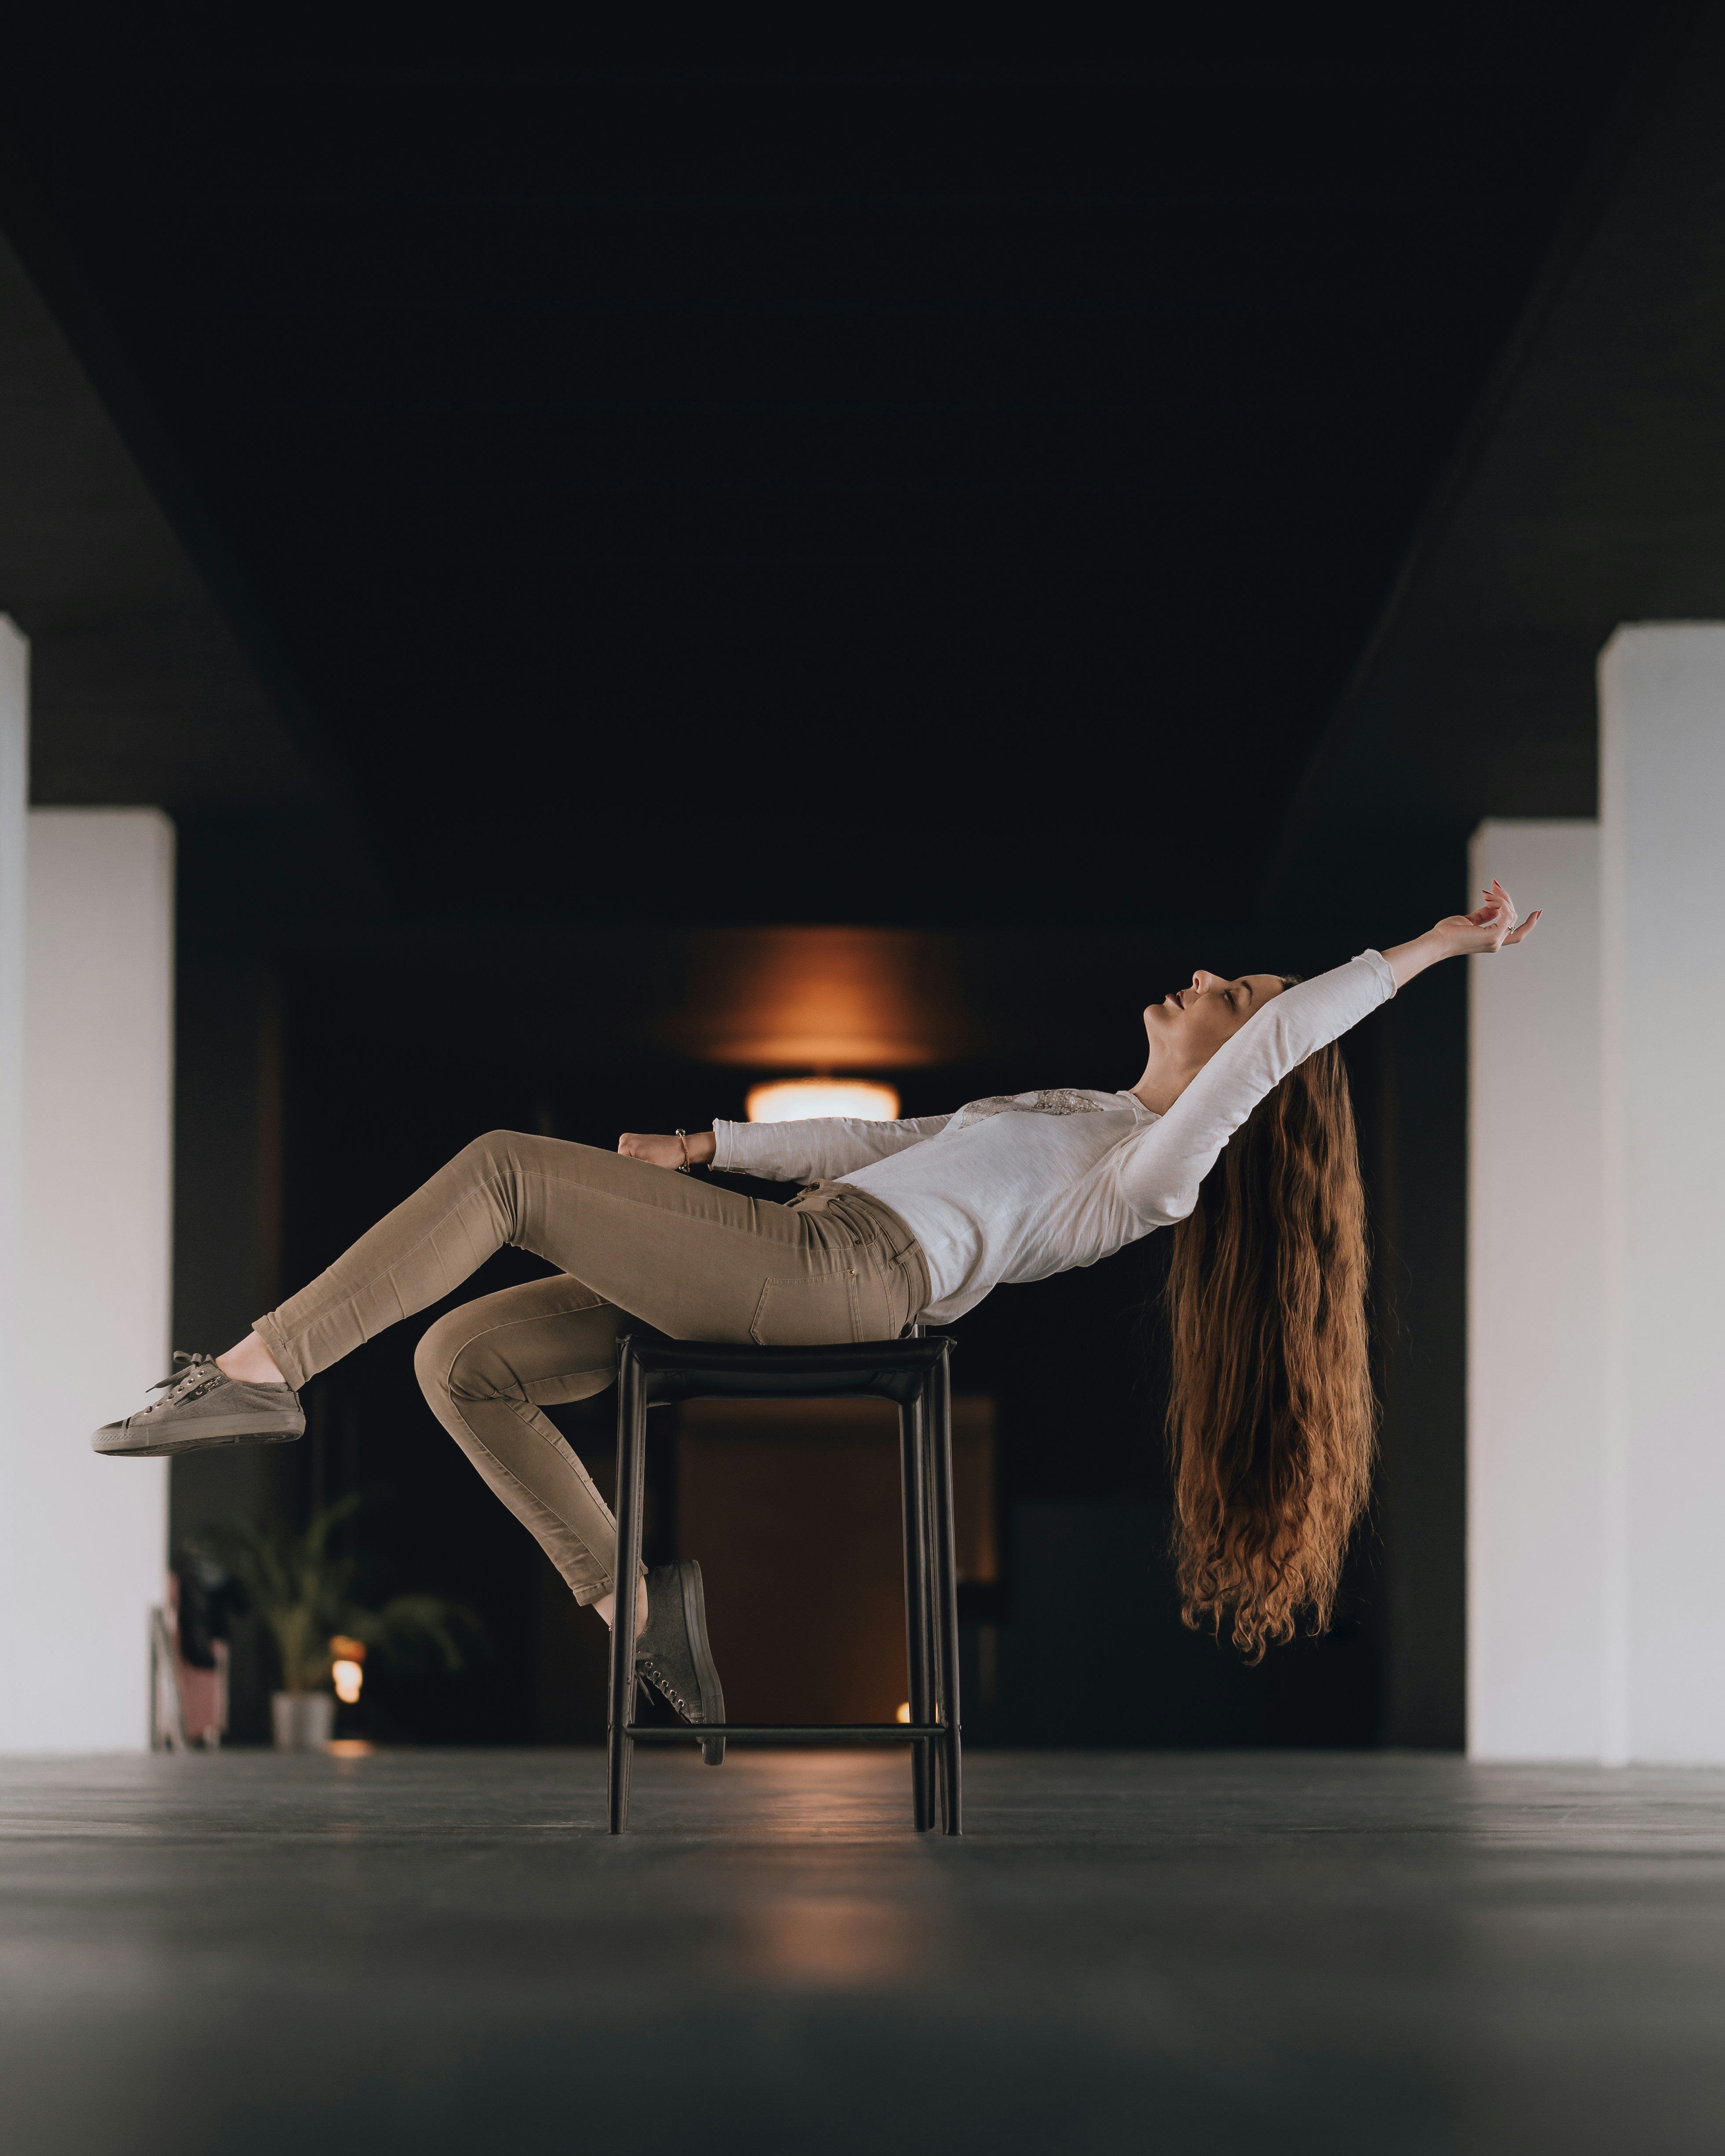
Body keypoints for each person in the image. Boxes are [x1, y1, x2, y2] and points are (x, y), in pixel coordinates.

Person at [95, 882, 1540, 1744]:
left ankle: (253, 1373)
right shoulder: (1076, 1109)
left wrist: (1426, 948)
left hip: (843, 1284)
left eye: (1233, 997)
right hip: (776, 1242)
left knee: (498, 1173)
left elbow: (1284, 1041)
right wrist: (708, 1148)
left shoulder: (1149, 1177)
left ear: (1249, 1066)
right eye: (1230, 982)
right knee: (458, 1355)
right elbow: (875, 1140)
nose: (1209, 987)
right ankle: (639, 1608)